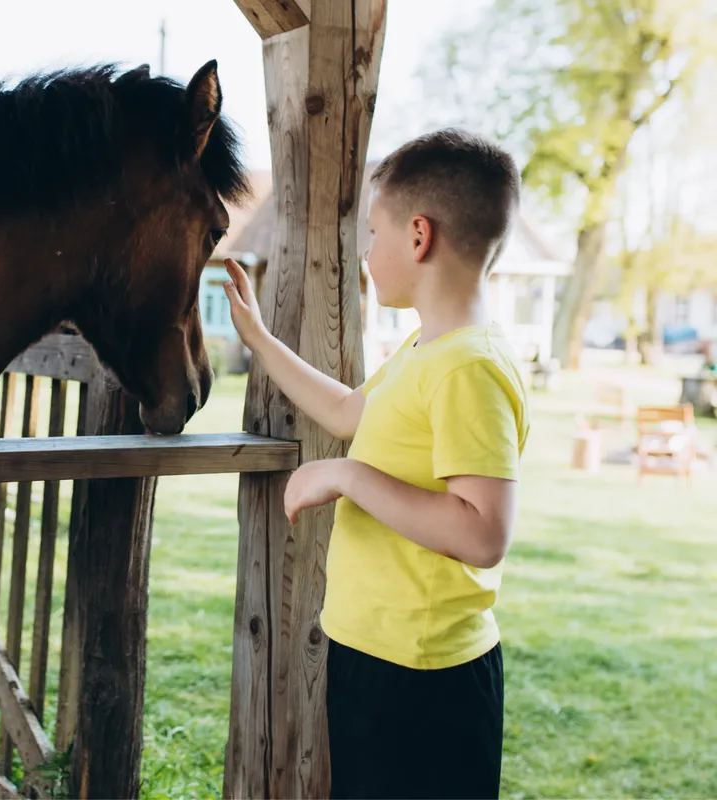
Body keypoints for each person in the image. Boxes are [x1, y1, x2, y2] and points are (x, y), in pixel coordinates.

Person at [223, 128, 529, 799]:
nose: (365, 251)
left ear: (418, 236)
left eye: (372, 232)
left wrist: (348, 476)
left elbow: (483, 532)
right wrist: (260, 341)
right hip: (375, 653)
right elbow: (348, 412)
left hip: (425, 675)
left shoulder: (468, 366)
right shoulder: (428, 348)